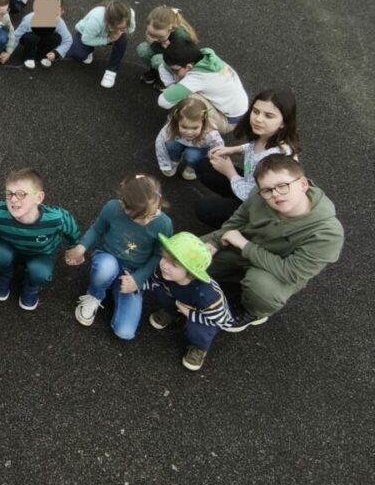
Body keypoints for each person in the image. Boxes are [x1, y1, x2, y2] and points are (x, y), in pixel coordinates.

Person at [201, 155, 343, 332]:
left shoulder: (328, 233)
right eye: (267, 190)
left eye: (282, 186)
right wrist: (215, 241)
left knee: (262, 290)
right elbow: (239, 219)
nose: (275, 194)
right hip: (244, 248)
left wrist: (245, 246)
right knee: (189, 256)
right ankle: (235, 275)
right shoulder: (260, 194)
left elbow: (290, 272)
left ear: (303, 185)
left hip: (275, 271)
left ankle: (253, 311)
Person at [67, 174, 174, 340]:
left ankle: (116, 287)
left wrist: (137, 280)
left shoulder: (164, 224)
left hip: (133, 272)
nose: (146, 221)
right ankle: (95, 294)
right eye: (140, 217)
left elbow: (158, 256)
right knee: (105, 268)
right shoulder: (112, 208)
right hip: (109, 257)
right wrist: (82, 247)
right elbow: (97, 229)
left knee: (125, 332)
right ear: (125, 206)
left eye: (151, 215)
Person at [0, 168, 81, 310]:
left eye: (21, 194)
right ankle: (5, 275)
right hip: (10, 249)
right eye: (9, 193)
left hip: (40, 255)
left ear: (39, 198)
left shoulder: (57, 218)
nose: (12, 199)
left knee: (41, 272)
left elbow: (73, 232)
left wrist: (75, 249)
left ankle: (31, 286)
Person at [194, 89, 300, 229]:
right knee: (205, 166)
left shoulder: (276, 161)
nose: (258, 119)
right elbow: (253, 147)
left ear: (283, 122)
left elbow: (252, 196)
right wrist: (234, 149)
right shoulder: (270, 136)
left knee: (204, 208)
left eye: (268, 116)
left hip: (260, 205)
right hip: (251, 184)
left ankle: (242, 229)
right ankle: (231, 201)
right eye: (256, 111)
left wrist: (229, 172)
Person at [145, 233, 232, 372]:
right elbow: (154, 281)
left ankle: (199, 348)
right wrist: (137, 285)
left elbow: (221, 319)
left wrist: (190, 314)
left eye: (174, 265)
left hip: (205, 316)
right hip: (181, 301)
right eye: (164, 258)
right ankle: (171, 313)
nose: (165, 266)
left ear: (191, 273)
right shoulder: (165, 272)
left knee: (197, 330)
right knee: (161, 291)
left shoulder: (208, 296)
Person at [158, 40, 248, 131]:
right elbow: (163, 66)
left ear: (189, 67)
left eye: (176, 70)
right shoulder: (206, 59)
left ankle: (182, 126)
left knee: (188, 97)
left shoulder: (198, 77)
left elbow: (163, 102)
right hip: (236, 111)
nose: (174, 72)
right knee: (182, 88)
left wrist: (172, 89)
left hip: (227, 121)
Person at [67, 0, 136, 89]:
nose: (120, 31)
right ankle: (89, 51)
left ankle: (111, 71)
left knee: (122, 39)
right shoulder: (96, 20)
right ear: (109, 23)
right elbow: (86, 40)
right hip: (86, 34)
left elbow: (131, 29)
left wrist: (119, 32)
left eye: (123, 28)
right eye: (117, 28)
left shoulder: (130, 14)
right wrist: (108, 39)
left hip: (107, 33)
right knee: (78, 55)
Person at [154, 96, 225, 181]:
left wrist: (211, 163)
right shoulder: (171, 127)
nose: (189, 132)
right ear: (177, 122)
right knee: (169, 144)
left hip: (199, 147)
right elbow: (160, 143)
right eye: (184, 127)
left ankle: (193, 167)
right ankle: (173, 161)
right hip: (180, 141)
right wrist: (165, 163)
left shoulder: (210, 133)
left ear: (203, 123)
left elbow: (218, 149)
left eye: (195, 128)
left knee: (192, 155)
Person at [136, 5, 198, 90]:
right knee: (143, 49)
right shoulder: (160, 29)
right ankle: (155, 72)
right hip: (164, 50)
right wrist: (157, 41)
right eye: (151, 34)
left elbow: (175, 58)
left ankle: (168, 79)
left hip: (177, 61)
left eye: (159, 36)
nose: (155, 39)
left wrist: (152, 43)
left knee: (157, 60)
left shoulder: (180, 38)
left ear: (170, 29)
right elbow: (156, 43)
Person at [11, 0, 72, 70]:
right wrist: (8, 52)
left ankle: (42, 56)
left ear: (61, 12)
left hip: (44, 39)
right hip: (30, 37)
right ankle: (28, 57)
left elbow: (68, 40)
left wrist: (56, 53)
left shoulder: (60, 23)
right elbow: (16, 36)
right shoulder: (29, 19)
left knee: (57, 37)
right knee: (32, 38)